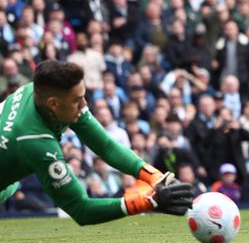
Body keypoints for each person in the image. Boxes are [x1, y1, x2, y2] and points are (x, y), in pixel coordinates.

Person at [0, 60, 192, 225]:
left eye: (83, 96)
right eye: (77, 100)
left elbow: (105, 146)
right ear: (53, 104)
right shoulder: (35, 142)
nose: (85, 105)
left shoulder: (40, 91)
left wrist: (155, 177)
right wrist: (149, 202)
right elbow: (80, 208)